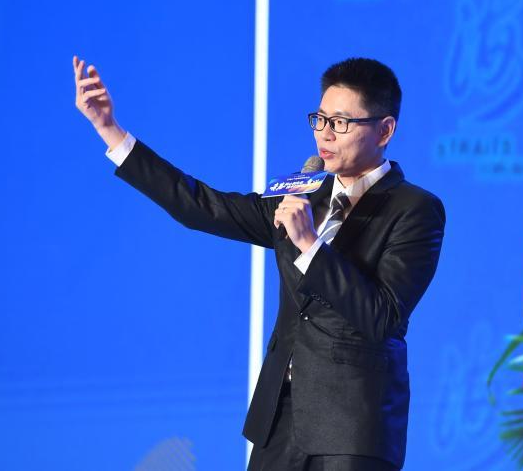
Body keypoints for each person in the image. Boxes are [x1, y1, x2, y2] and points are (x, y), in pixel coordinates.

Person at [73, 55, 444, 471]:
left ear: (385, 130)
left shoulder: (414, 209)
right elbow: (200, 206)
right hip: (278, 422)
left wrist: (309, 245)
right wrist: (110, 129)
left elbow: (383, 316)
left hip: (352, 427)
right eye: (320, 119)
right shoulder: (303, 197)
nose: (325, 133)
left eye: (340, 122)